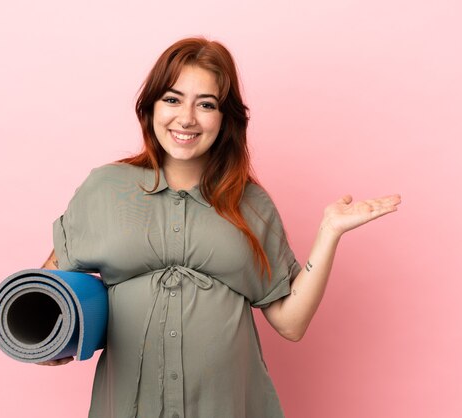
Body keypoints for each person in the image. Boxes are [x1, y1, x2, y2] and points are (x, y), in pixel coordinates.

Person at [38, 37, 401, 418]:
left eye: (206, 104)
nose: (187, 118)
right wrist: (51, 341)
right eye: (172, 99)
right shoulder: (105, 188)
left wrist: (329, 232)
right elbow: (47, 291)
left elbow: (291, 323)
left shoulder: (251, 204)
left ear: (225, 118)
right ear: (150, 107)